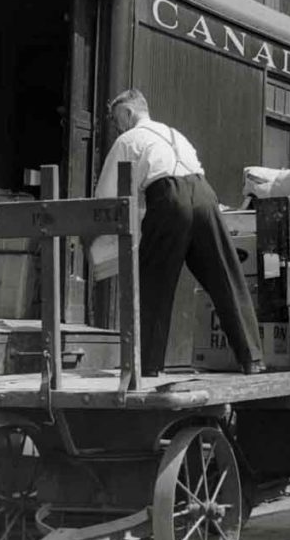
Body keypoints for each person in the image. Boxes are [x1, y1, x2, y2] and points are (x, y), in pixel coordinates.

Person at [92, 89, 263, 377]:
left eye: (114, 118)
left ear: (127, 114)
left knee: (154, 281)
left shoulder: (128, 140)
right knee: (225, 275)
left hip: (169, 198)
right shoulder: (175, 134)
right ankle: (252, 358)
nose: (115, 125)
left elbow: (107, 197)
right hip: (205, 195)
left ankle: (146, 365)